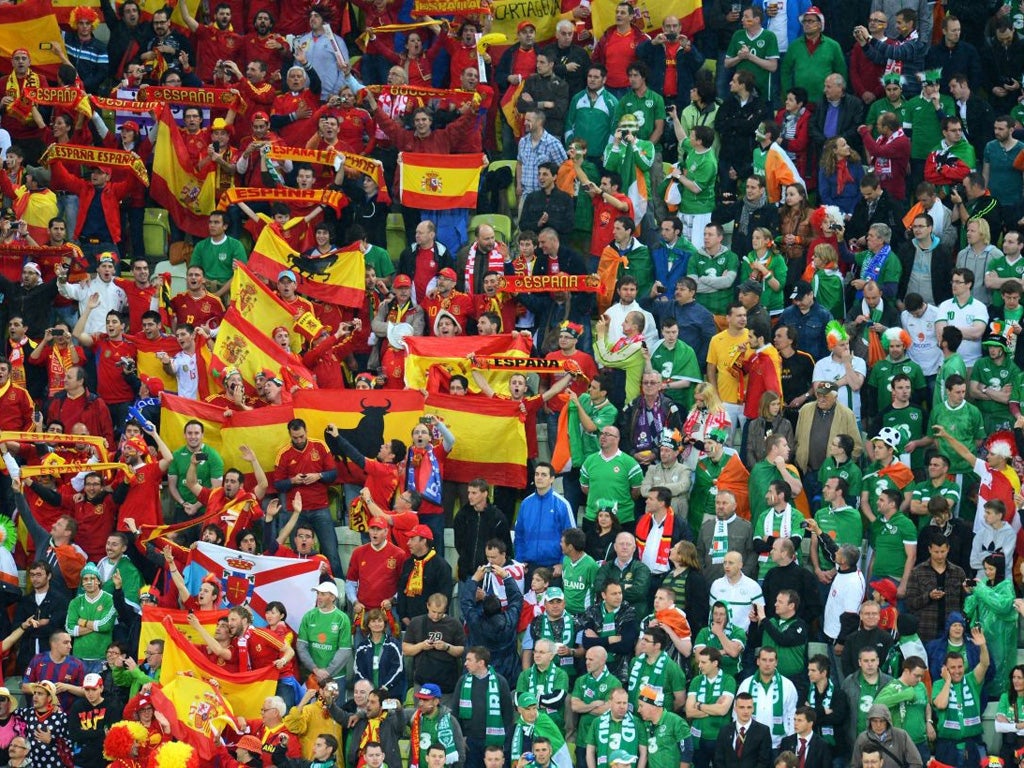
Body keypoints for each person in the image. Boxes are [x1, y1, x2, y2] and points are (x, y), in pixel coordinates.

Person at [932, 627, 990, 768]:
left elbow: (984, 664)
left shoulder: (971, 680)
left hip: (972, 744)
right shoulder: (939, 684)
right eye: (952, 668)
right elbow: (941, 704)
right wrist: (947, 681)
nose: (957, 671)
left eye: (960, 667)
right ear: (945, 669)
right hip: (947, 746)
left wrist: (982, 645)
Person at [455, 647, 514, 768]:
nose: (465, 663)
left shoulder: (500, 681)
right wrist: (461, 738)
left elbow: (508, 714)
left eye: (469, 660)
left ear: (481, 663)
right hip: (469, 741)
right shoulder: (462, 681)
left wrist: (505, 740)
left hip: (493, 740)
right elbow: (455, 711)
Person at [850, 704, 924, 768]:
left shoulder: (901, 735)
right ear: (869, 722)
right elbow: (855, 765)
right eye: (875, 721)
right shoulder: (862, 738)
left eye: (882, 721)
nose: (878, 725)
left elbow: (916, 763)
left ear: (888, 721)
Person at [714, 693, 772, 768]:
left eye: (749, 707)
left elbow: (764, 761)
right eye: (742, 707)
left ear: (753, 709)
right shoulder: (724, 731)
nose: (746, 711)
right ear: (735, 709)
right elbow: (718, 759)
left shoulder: (763, 731)